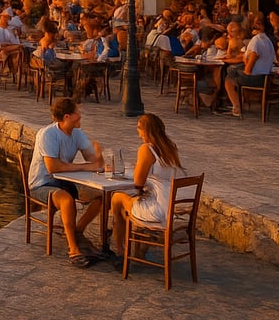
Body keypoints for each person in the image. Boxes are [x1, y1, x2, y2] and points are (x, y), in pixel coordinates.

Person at [26, 97, 106, 267]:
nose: (80, 115)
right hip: (42, 184)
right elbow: (53, 167)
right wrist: (86, 166)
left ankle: (77, 230)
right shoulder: (47, 134)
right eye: (77, 112)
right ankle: (73, 249)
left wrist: (98, 154)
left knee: (103, 197)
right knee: (66, 199)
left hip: (65, 181)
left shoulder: (77, 133)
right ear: (67, 116)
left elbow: (95, 162)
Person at [109, 113, 186, 258]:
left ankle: (120, 249)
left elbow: (138, 182)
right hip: (169, 204)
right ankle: (141, 245)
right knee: (132, 202)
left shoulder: (146, 149)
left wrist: (138, 167)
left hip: (158, 210)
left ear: (147, 130)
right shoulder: (170, 147)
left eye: (139, 130)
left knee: (117, 198)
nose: (139, 135)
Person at [223, 15, 275, 117]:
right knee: (233, 70)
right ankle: (241, 104)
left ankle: (237, 107)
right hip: (266, 77)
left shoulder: (256, 41)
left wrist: (244, 61)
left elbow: (249, 67)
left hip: (256, 78)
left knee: (229, 77)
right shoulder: (268, 40)